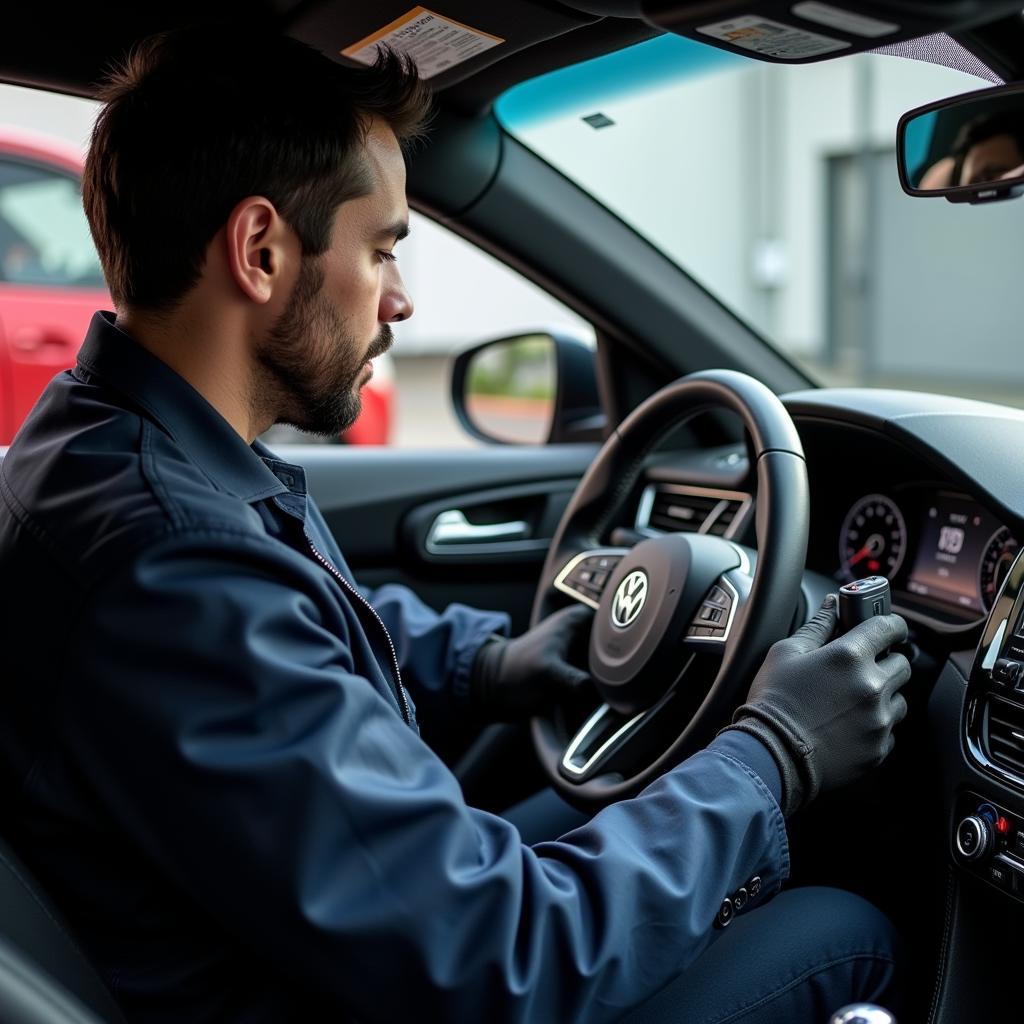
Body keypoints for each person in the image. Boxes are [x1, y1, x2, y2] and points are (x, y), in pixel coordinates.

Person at [0, 26, 911, 1023]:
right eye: (382, 246)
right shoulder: (174, 561)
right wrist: (774, 747)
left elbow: (300, 637)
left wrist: (489, 663)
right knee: (841, 927)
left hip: (287, 941)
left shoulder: (103, 447)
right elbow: (505, 954)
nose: (400, 298)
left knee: (611, 796)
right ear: (260, 251)